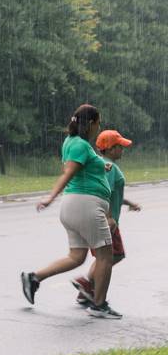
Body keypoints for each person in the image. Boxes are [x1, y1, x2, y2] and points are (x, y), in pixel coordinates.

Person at [21, 104, 121, 319]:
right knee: (105, 256)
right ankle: (99, 304)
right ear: (92, 123)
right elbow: (68, 173)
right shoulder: (81, 146)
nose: (99, 127)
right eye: (99, 123)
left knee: (76, 256)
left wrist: (100, 167)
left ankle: (34, 278)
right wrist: (50, 197)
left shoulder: (71, 142)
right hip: (86, 207)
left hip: (74, 207)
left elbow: (76, 169)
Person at [72, 129, 141, 306]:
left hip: (99, 218)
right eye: (120, 147)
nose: (122, 150)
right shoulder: (109, 167)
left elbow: (113, 194)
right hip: (106, 221)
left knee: (106, 257)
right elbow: (106, 193)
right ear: (110, 149)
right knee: (112, 257)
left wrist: (128, 202)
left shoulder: (102, 164)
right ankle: (88, 284)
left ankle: (87, 290)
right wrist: (109, 218)